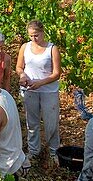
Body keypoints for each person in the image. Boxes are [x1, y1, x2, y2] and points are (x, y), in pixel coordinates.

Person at [16, 20, 62, 172]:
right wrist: (22, 75)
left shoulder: (52, 49)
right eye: (30, 36)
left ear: (43, 33)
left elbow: (56, 74)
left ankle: (54, 151)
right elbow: (19, 66)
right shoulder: (25, 47)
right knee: (32, 122)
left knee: (51, 122)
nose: (33, 39)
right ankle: (33, 151)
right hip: (30, 90)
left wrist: (41, 83)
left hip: (48, 91)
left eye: (36, 35)